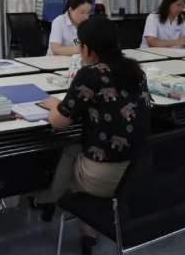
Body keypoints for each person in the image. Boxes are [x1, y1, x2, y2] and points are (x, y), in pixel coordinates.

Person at [31, 17, 151, 255]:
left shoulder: (89, 74)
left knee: (71, 151)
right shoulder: (135, 70)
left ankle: (61, 206)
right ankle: (57, 205)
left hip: (104, 179)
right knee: (77, 148)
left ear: (86, 48)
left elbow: (58, 123)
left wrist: (55, 104)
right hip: (139, 172)